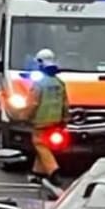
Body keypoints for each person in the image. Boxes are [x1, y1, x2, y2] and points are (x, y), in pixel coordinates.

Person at [21, 49, 68, 187]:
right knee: (45, 146)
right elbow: (66, 104)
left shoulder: (39, 84)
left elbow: (33, 104)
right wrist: (65, 120)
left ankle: (54, 172)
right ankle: (38, 173)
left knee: (40, 146)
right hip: (55, 121)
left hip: (40, 121)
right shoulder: (59, 83)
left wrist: (24, 117)